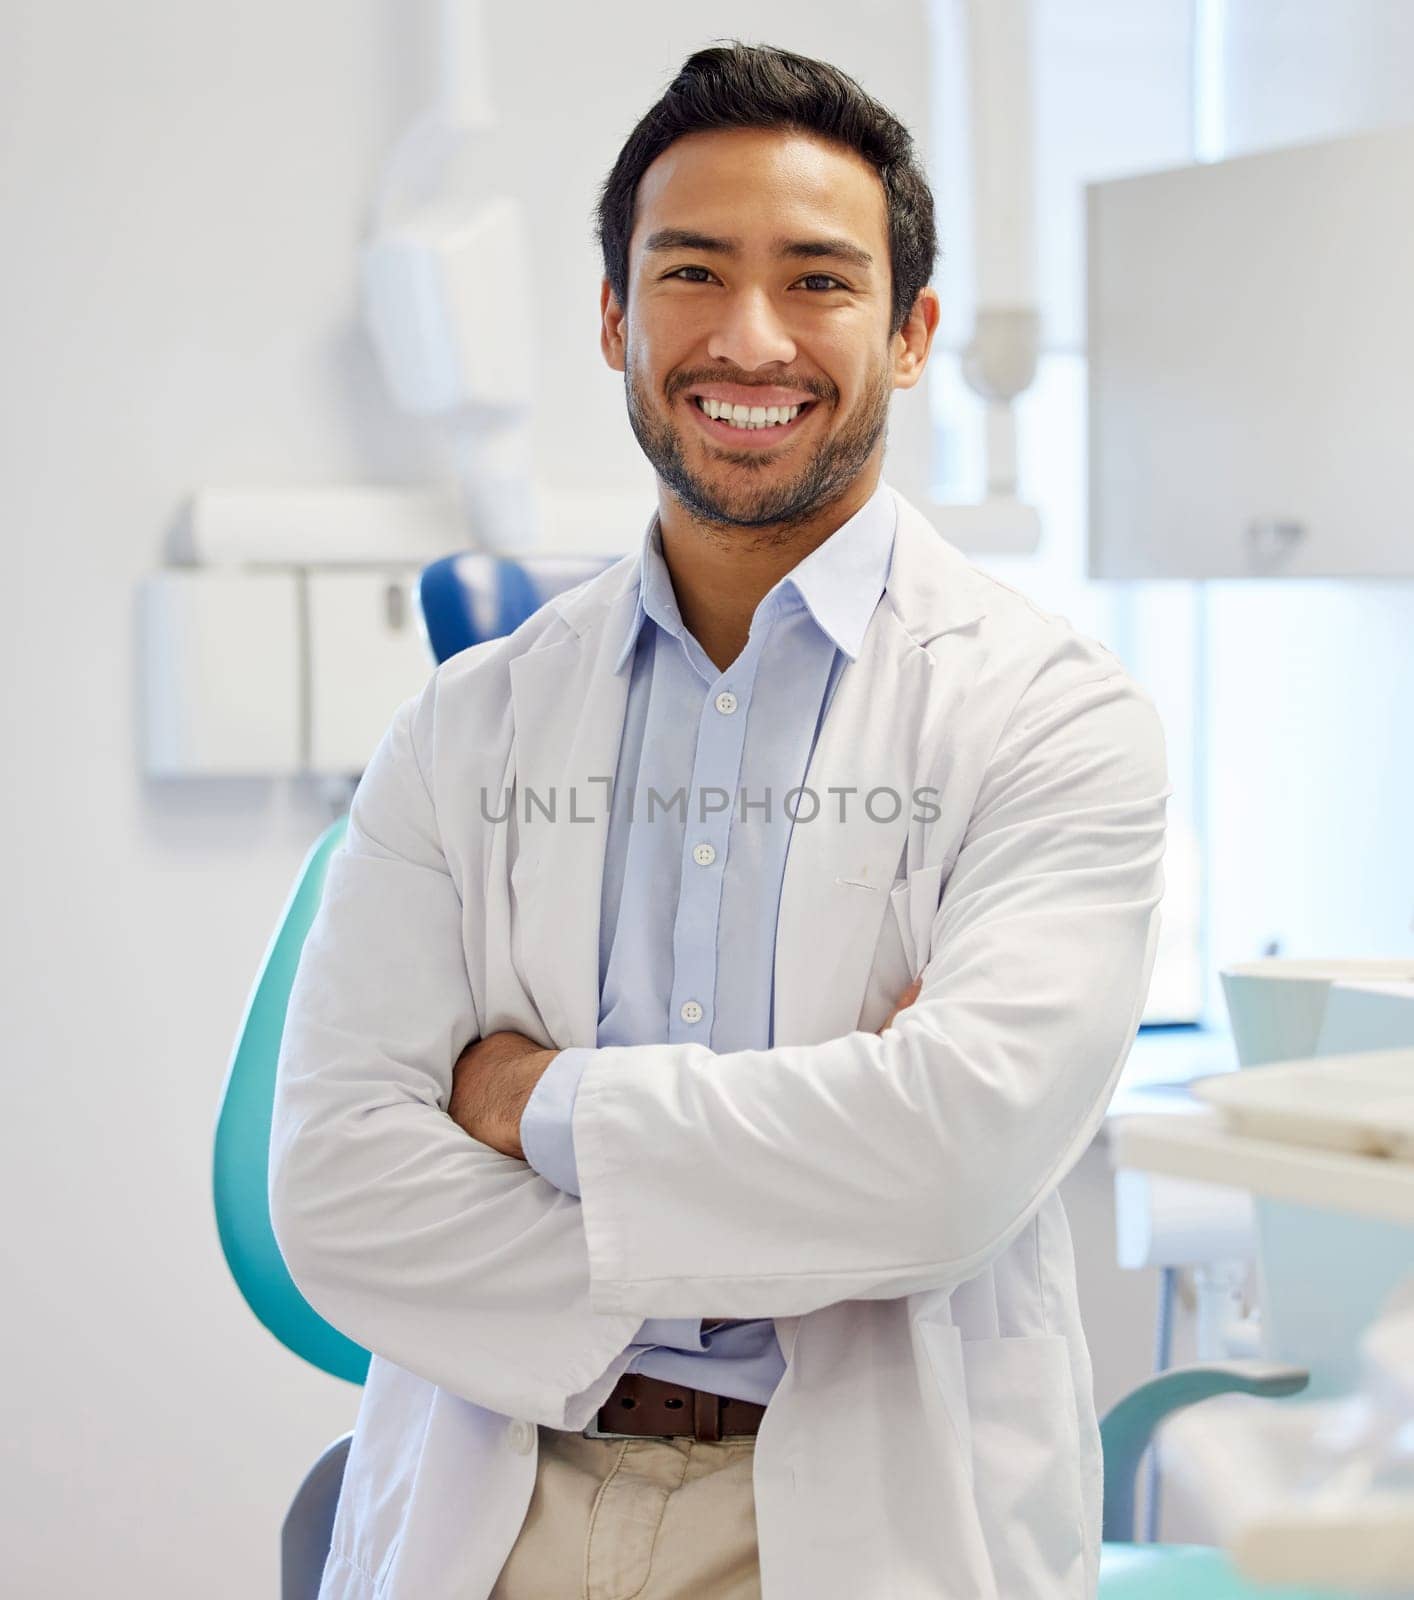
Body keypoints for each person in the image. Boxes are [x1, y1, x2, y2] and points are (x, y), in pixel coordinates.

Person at [269, 39, 1171, 1600]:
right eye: (691, 272)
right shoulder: (467, 725)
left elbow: (942, 1167)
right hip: (501, 1500)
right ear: (616, 319)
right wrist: (813, 1212)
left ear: (909, 335)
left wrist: (529, 1107)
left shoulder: (1052, 720)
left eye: (817, 280)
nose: (748, 337)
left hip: (852, 1517)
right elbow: (336, 1190)